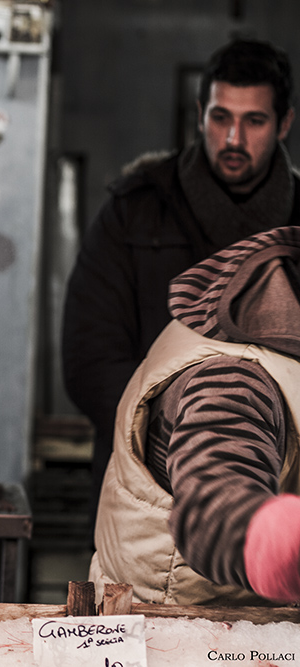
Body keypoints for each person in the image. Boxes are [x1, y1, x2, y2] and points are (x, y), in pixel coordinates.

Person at [61, 38, 300, 529]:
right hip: (145, 495)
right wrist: (179, 442)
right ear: (199, 114)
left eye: (253, 121)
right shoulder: (135, 209)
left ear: (285, 124)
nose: (233, 138)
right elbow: (90, 359)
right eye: (219, 117)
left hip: (280, 490)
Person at [91, 226, 300, 606]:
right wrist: (286, 544)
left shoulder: (266, 336)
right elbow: (216, 508)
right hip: (175, 639)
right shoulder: (234, 378)